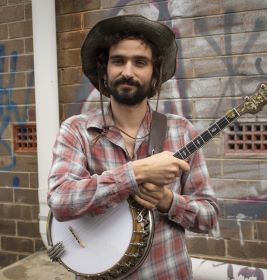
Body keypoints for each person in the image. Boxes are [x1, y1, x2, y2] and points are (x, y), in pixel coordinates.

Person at [47, 14, 219, 279]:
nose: (128, 71)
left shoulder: (182, 131)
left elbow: (208, 217)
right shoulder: (76, 130)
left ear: (154, 74)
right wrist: (135, 173)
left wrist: (168, 201)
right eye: (118, 61)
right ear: (105, 70)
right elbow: (60, 201)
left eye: (140, 62)